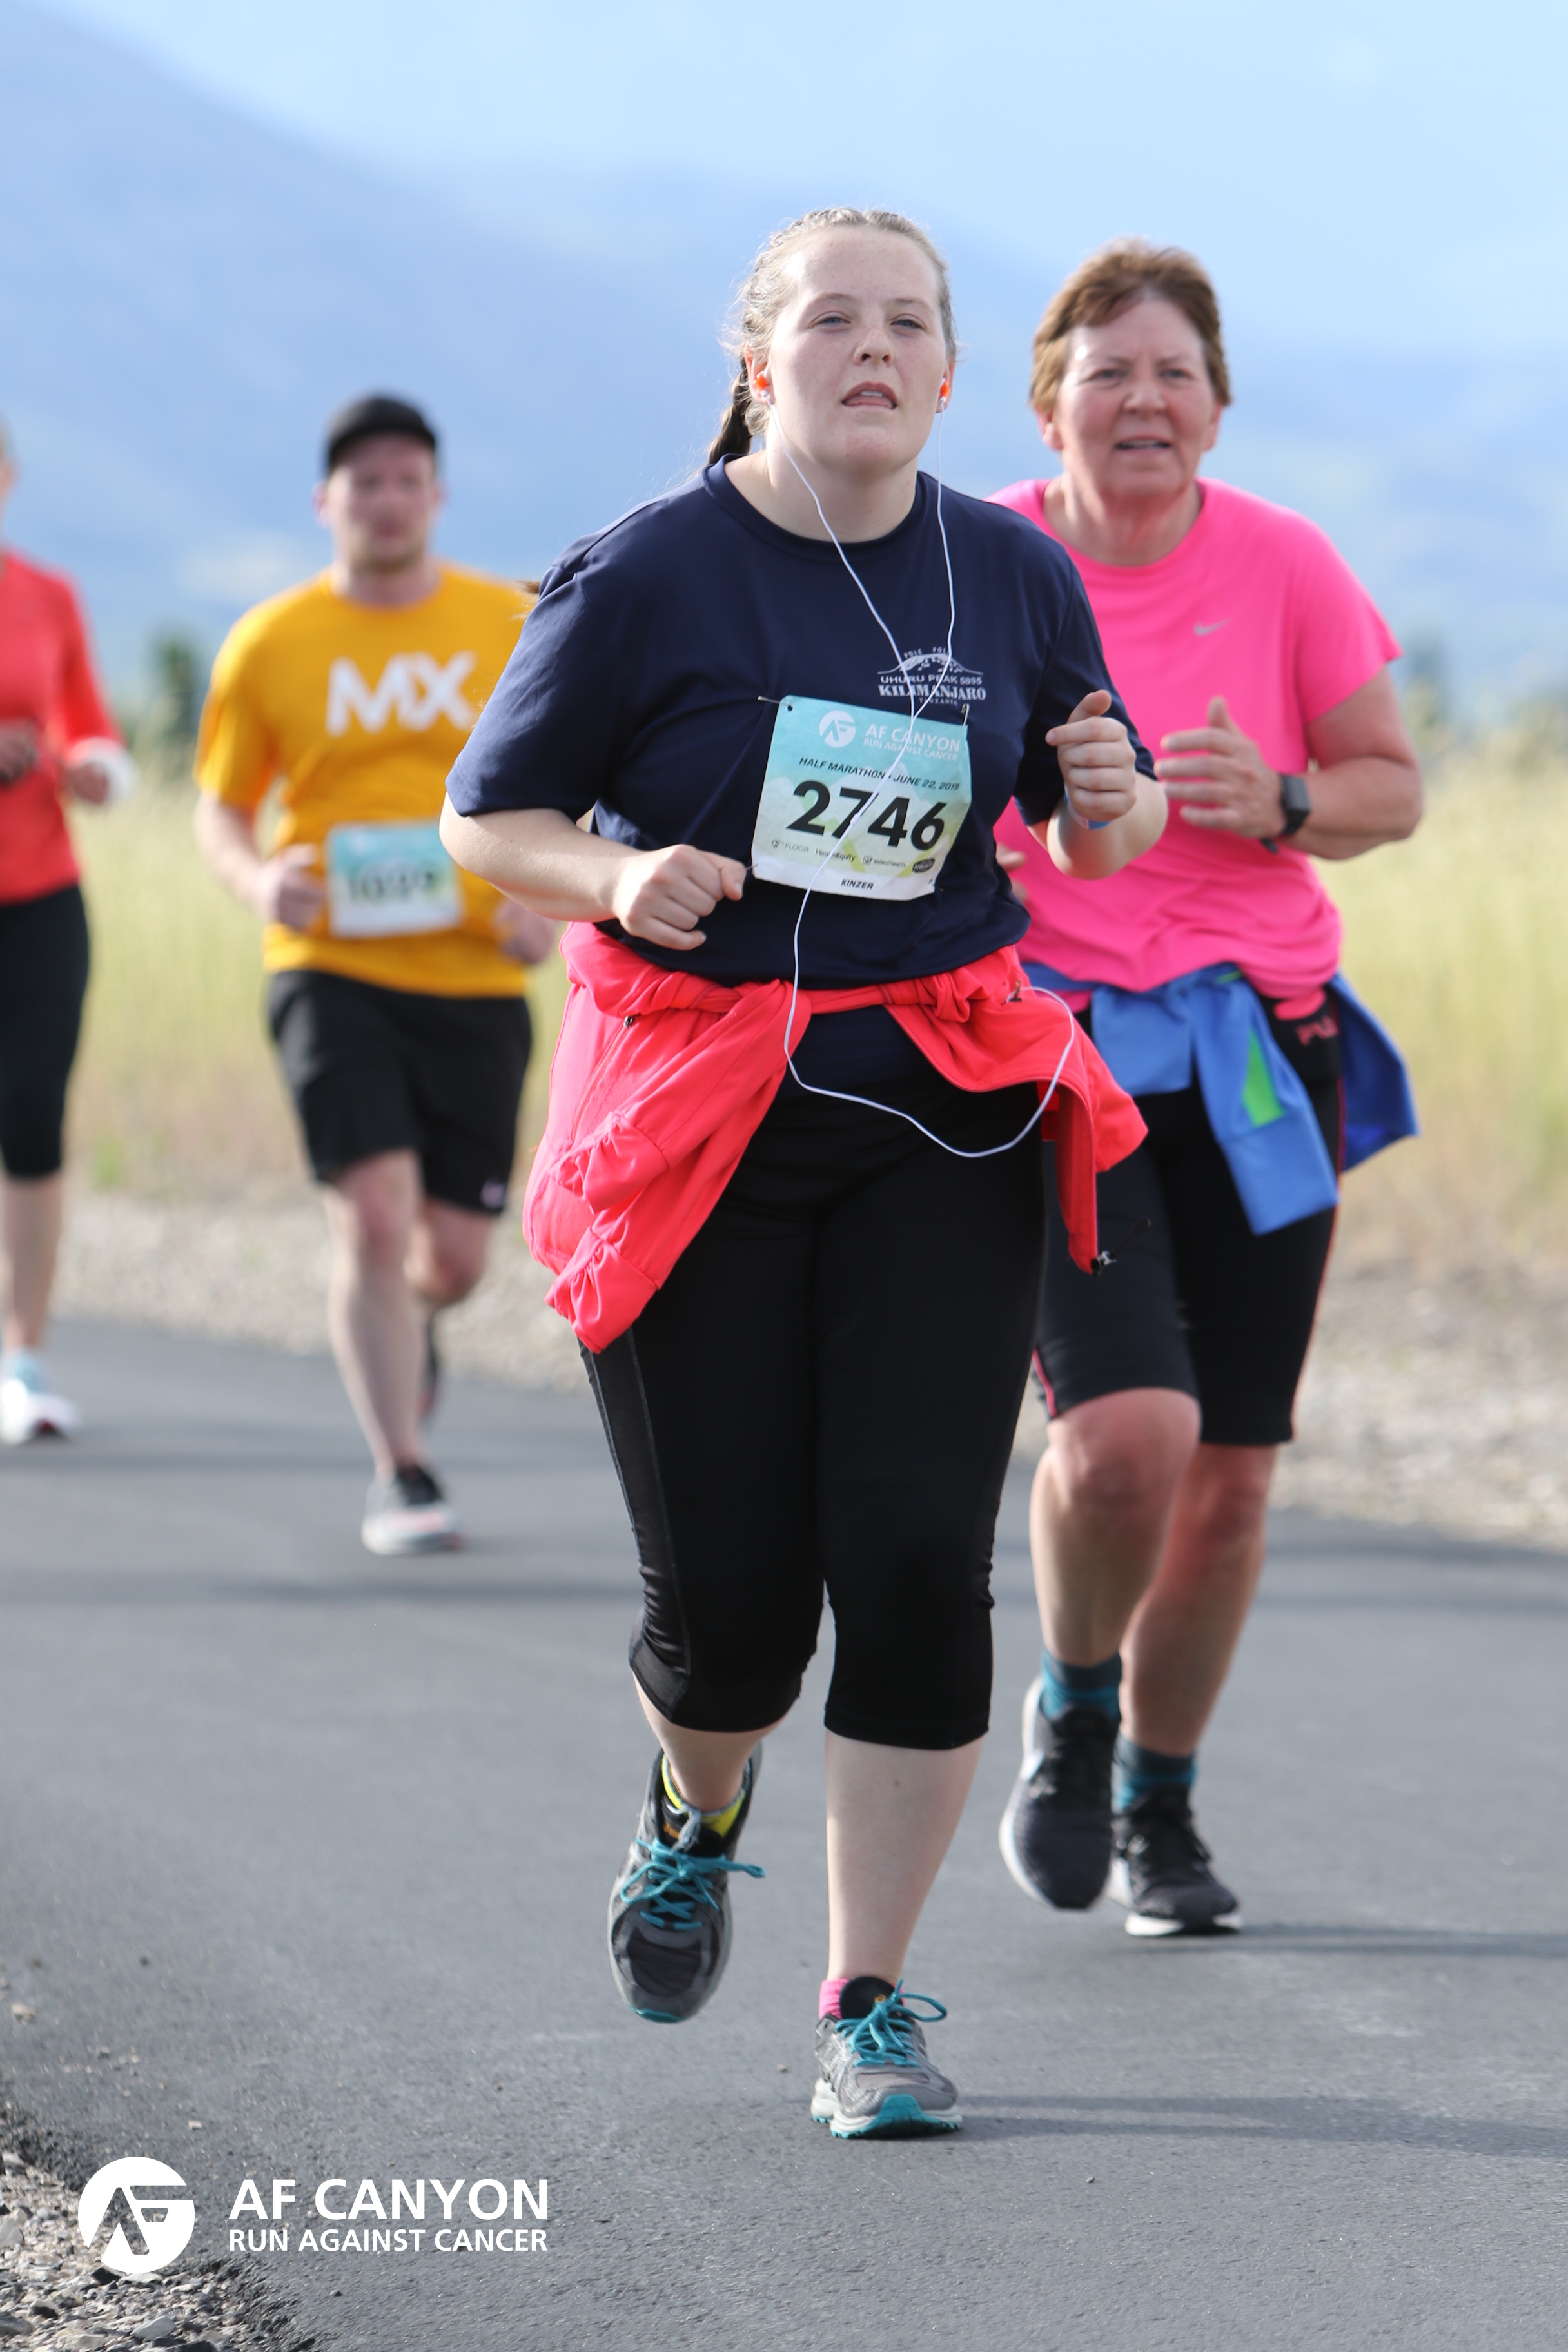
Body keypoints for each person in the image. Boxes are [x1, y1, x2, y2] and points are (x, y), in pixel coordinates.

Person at [440, 207, 1164, 2135]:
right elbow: (488, 814)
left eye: (908, 323)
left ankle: (870, 2006)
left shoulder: (1011, 570)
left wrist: (1114, 803)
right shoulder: (648, 571)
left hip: (943, 1106)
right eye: (832, 318)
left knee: (918, 1561)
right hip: (696, 1115)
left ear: (949, 375)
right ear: (761, 362)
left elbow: (1092, 820)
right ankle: (695, 1809)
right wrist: (616, 876)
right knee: (735, 1617)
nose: (873, 347)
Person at [989, 241, 1422, 1937]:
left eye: (1175, 373)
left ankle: (1159, 1805)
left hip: (1257, 1055)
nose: (1144, 401)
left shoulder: (1286, 562)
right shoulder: (984, 562)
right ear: (1050, 406)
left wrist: (1288, 799)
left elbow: (1393, 787)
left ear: (1217, 408)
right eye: (1109, 372)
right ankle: (1073, 1705)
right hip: (1056, 1055)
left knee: (1230, 1475)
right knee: (1122, 1443)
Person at [195, 395, 553, 1555]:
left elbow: (577, 774)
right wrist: (260, 883)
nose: (387, 502)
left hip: (476, 977)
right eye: (365, 483)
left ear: (436, 497)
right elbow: (221, 810)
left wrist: (550, 901)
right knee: (374, 1216)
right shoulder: (271, 642)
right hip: (331, 968)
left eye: (407, 481)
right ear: (326, 501)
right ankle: (402, 1468)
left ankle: (412, 1320)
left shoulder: (505, 621)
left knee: (451, 1255)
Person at [0, 416, 132, 1447]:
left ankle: (23, 1359)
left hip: (40, 895)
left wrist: (90, 768)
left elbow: (91, 729)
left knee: (31, 1120)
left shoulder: (46, 595)